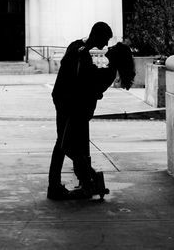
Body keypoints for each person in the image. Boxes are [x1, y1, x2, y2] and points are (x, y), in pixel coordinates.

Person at [47, 21, 135, 201]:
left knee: (68, 145)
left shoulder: (90, 55)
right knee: (65, 145)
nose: (106, 46)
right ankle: (80, 180)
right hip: (71, 105)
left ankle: (84, 179)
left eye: (109, 44)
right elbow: (85, 82)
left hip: (73, 106)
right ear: (96, 36)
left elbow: (91, 86)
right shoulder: (82, 51)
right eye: (105, 41)